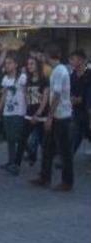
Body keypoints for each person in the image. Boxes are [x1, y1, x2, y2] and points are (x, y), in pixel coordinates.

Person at [30, 45, 74, 192]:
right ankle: (45, 176)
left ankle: (67, 181)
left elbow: (56, 95)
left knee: (64, 150)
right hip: (57, 114)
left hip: (61, 115)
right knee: (48, 147)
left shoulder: (60, 71)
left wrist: (49, 117)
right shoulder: (57, 71)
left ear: (49, 56)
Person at [14, 56, 49, 169]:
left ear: (37, 65)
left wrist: (38, 113)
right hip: (29, 113)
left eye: (32, 64)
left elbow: (45, 98)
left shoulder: (44, 80)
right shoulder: (28, 80)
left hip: (41, 115)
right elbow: (25, 94)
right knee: (22, 139)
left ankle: (45, 167)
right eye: (28, 64)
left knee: (44, 143)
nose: (29, 66)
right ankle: (16, 164)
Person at [0, 54, 27, 176]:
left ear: (15, 64)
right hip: (8, 111)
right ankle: (11, 161)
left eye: (9, 63)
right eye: (6, 63)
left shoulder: (22, 78)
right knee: (9, 138)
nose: (7, 65)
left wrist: (28, 108)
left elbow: (25, 93)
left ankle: (18, 160)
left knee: (16, 137)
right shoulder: (5, 79)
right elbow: (3, 95)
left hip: (19, 111)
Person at [68, 50, 91, 155]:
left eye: (73, 59)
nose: (71, 62)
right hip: (77, 111)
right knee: (76, 134)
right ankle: (68, 158)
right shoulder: (72, 76)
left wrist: (79, 99)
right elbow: (70, 92)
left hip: (88, 111)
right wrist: (72, 99)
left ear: (81, 60)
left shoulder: (89, 74)